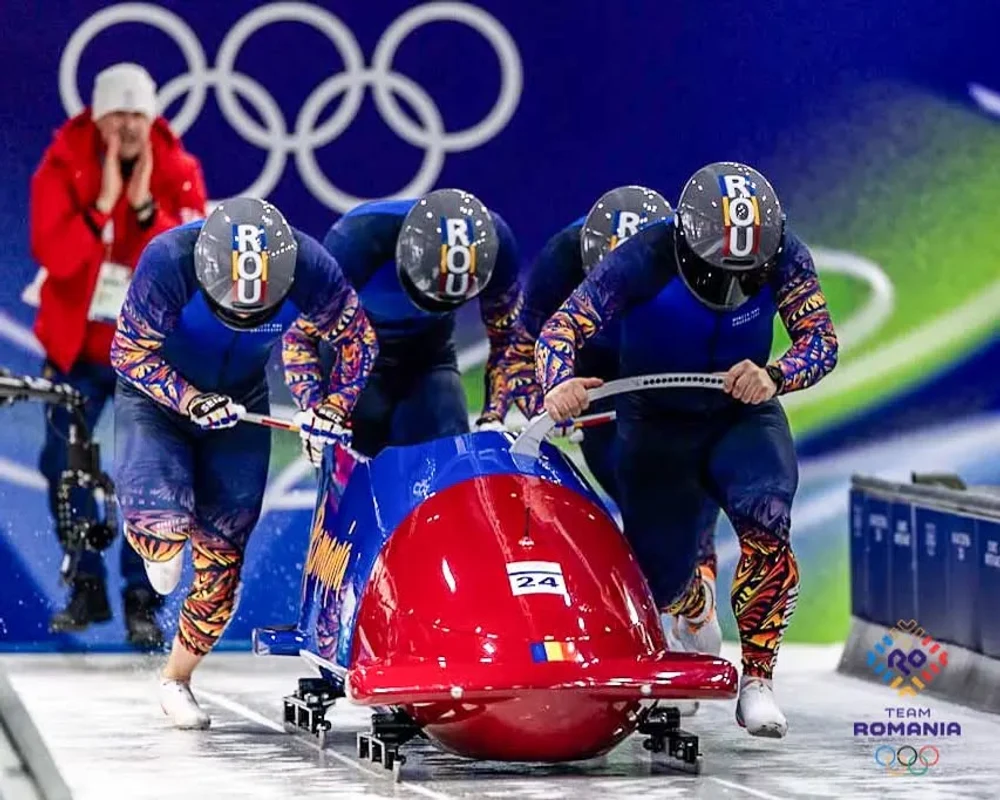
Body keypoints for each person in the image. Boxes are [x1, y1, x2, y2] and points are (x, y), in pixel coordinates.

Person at [536, 162, 839, 738]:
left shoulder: (785, 253)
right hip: (657, 422)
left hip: (741, 411)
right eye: (717, 273)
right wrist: (558, 383)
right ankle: (690, 603)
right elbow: (562, 328)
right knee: (662, 571)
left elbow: (821, 341)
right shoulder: (646, 255)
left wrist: (776, 375)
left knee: (768, 514)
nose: (731, 286)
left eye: (746, 274)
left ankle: (757, 679)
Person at [110, 197, 378, 728]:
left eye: (258, 309)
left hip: (239, 404)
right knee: (164, 539)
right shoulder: (168, 259)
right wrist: (188, 400)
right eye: (232, 307)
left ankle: (177, 678)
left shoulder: (310, 265)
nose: (245, 316)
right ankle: (156, 539)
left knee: (222, 560)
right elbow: (128, 352)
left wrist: (330, 407)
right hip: (159, 403)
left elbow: (358, 341)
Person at [508, 187, 723, 717]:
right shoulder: (562, 260)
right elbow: (525, 341)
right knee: (628, 492)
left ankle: (691, 605)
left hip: (668, 371)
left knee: (683, 497)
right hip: (601, 380)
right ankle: (661, 612)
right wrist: (545, 393)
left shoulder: (691, 251)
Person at [29, 62, 207, 644]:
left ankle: (140, 597)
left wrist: (143, 212)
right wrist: (103, 203)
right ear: (99, 118)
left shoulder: (178, 170)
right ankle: (85, 583)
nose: (130, 127)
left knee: (148, 470)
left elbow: (192, 260)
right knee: (62, 465)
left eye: (138, 114)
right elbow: (58, 259)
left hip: (147, 353)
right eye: (118, 115)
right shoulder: (59, 168)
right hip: (77, 351)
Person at [321, 189, 524, 457]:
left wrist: (493, 416)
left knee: (450, 455)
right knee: (359, 459)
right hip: (351, 358)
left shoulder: (495, 243)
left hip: (429, 355)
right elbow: (303, 335)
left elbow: (507, 340)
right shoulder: (355, 239)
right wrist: (320, 409)